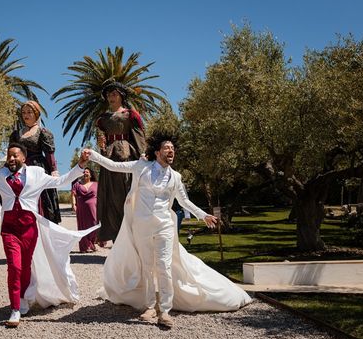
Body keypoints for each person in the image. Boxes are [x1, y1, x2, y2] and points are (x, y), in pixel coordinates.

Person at [85, 133, 252, 328]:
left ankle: (165, 310)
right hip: (142, 225)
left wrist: (202, 215)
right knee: (146, 267)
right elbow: (115, 166)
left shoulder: (176, 177)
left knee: (164, 266)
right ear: (157, 152)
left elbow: (184, 201)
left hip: (165, 225)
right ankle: (149, 306)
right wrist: (94, 155)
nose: (171, 150)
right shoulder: (141, 167)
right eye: (166, 147)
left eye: (172, 148)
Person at [0, 144, 95, 328]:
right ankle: (14, 309)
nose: (11, 159)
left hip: (29, 229)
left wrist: (81, 165)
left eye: (15, 156)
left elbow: (60, 181)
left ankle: (23, 297)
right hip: (10, 229)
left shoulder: (37, 174)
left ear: (23, 158)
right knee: (14, 267)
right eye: (8, 156)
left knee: (26, 267)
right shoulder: (1, 176)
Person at [95, 81, 146, 245]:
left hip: (126, 154)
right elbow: (101, 136)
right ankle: (117, 239)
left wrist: (144, 156)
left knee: (127, 195)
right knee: (110, 197)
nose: (111, 97)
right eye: (109, 95)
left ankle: (133, 238)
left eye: (114, 94)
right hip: (109, 157)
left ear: (121, 96)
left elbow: (139, 136)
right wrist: (101, 143)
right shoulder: (102, 119)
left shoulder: (130, 115)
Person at [9, 100, 61, 223]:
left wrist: (53, 170)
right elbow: (11, 153)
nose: (26, 115)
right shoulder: (16, 134)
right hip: (21, 169)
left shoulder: (42, 132)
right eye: (23, 112)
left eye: (29, 112)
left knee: (42, 200)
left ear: (36, 114)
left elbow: (49, 154)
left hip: (38, 167)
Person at [71, 167, 98, 253]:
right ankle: (85, 246)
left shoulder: (96, 184)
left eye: (87, 172)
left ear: (90, 175)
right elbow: (73, 194)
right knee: (83, 226)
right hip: (81, 208)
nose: (85, 173)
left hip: (94, 208)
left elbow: (101, 195)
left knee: (94, 224)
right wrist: (74, 204)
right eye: (84, 172)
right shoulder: (77, 184)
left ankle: (92, 243)